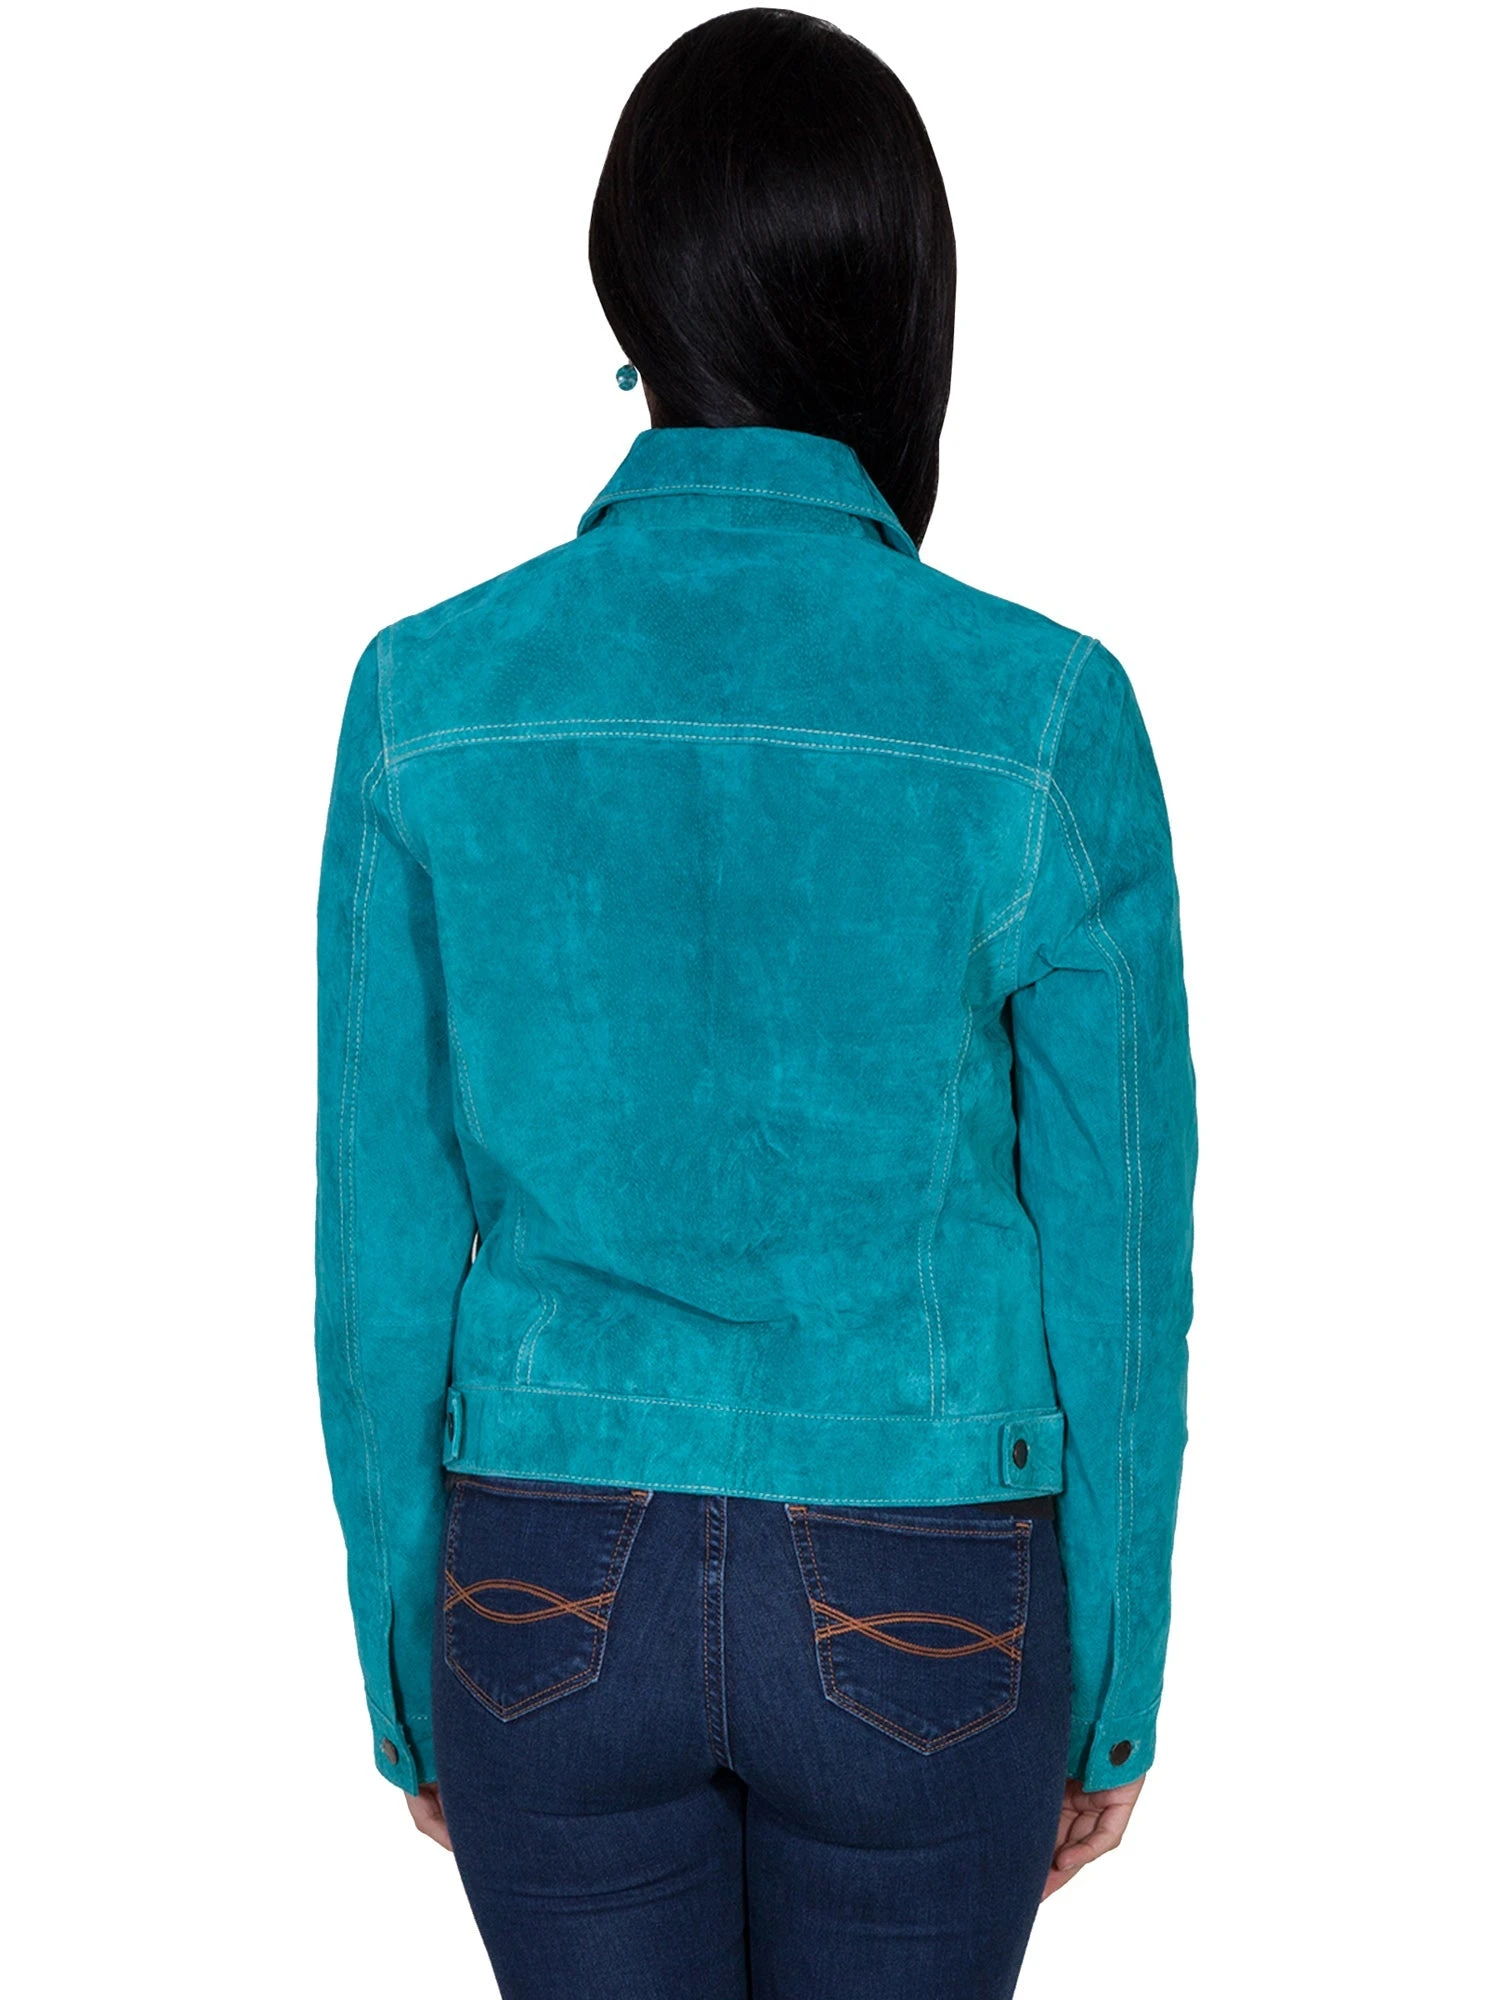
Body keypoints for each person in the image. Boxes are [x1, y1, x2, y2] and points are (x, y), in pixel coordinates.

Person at [314, 10, 1197, 1996]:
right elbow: (1120, 1259)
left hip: (541, 1589)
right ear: (904, 307)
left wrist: (408, 1659)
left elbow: (379, 1250)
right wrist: (1113, 1677)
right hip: (929, 1590)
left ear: (629, 296)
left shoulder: (424, 699)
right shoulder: (1047, 714)